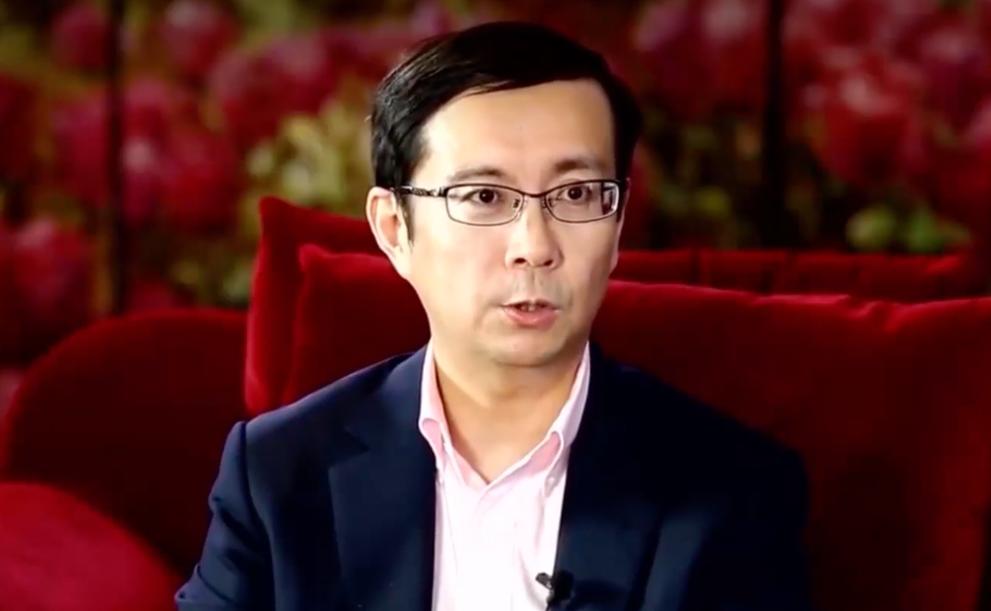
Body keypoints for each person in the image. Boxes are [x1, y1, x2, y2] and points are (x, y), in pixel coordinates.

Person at [176, 21, 811, 611]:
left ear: (617, 227)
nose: (534, 245)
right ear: (394, 229)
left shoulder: (734, 488)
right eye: (484, 196)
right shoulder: (278, 475)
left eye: (577, 194)